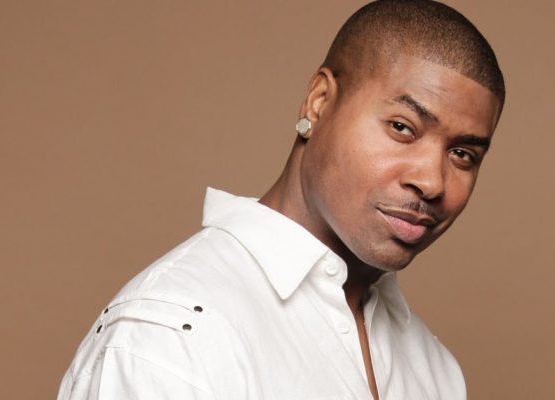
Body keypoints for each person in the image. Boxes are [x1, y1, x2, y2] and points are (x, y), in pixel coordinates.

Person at [57, 0, 504, 399]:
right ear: (319, 102)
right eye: (402, 128)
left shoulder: (434, 368)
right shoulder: (173, 341)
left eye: (463, 154)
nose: (432, 182)